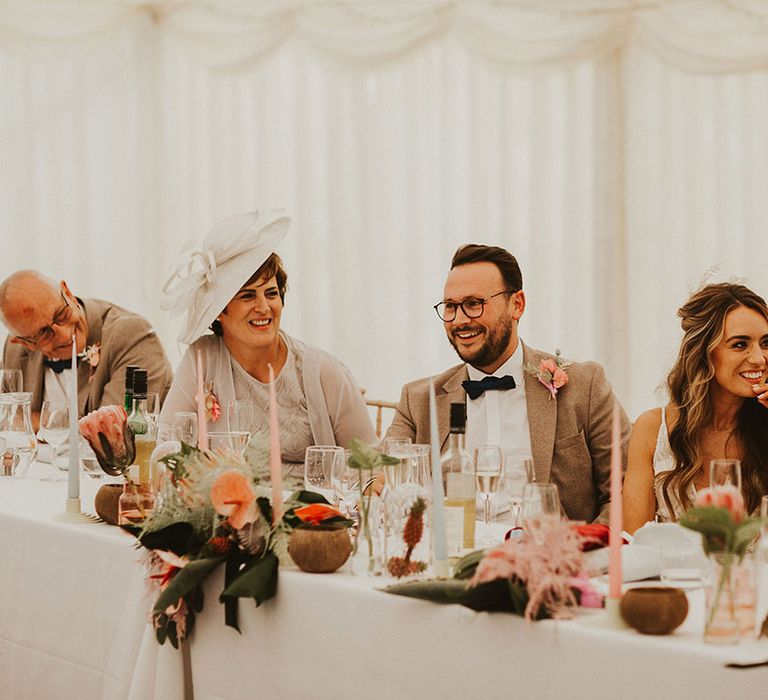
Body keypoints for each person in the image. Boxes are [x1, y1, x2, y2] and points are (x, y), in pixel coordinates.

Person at [385, 244, 630, 523]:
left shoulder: (584, 386)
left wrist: (577, 554)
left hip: (550, 558)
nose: (460, 320)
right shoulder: (418, 400)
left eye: (474, 304)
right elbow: (379, 480)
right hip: (451, 558)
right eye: (451, 307)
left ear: (517, 304)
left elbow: (625, 494)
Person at [159, 210, 375, 474]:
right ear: (220, 313)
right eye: (248, 296)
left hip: (311, 512)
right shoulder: (201, 360)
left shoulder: (323, 371)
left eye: (271, 293)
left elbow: (371, 465)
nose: (264, 307)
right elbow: (167, 452)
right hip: (228, 511)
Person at [624, 283, 768, 533]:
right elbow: (633, 543)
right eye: (739, 344)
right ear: (704, 352)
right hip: (672, 573)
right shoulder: (652, 429)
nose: (758, 358)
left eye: (765, 343)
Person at [0, 271, 173, 425]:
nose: (65, 334)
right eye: (44, 333)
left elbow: (114, 432)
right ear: (25, 343)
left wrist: (42, 421)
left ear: (68, 294)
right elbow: (5, 420)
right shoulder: (15, 351)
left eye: (62, 314)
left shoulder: (131, 335)